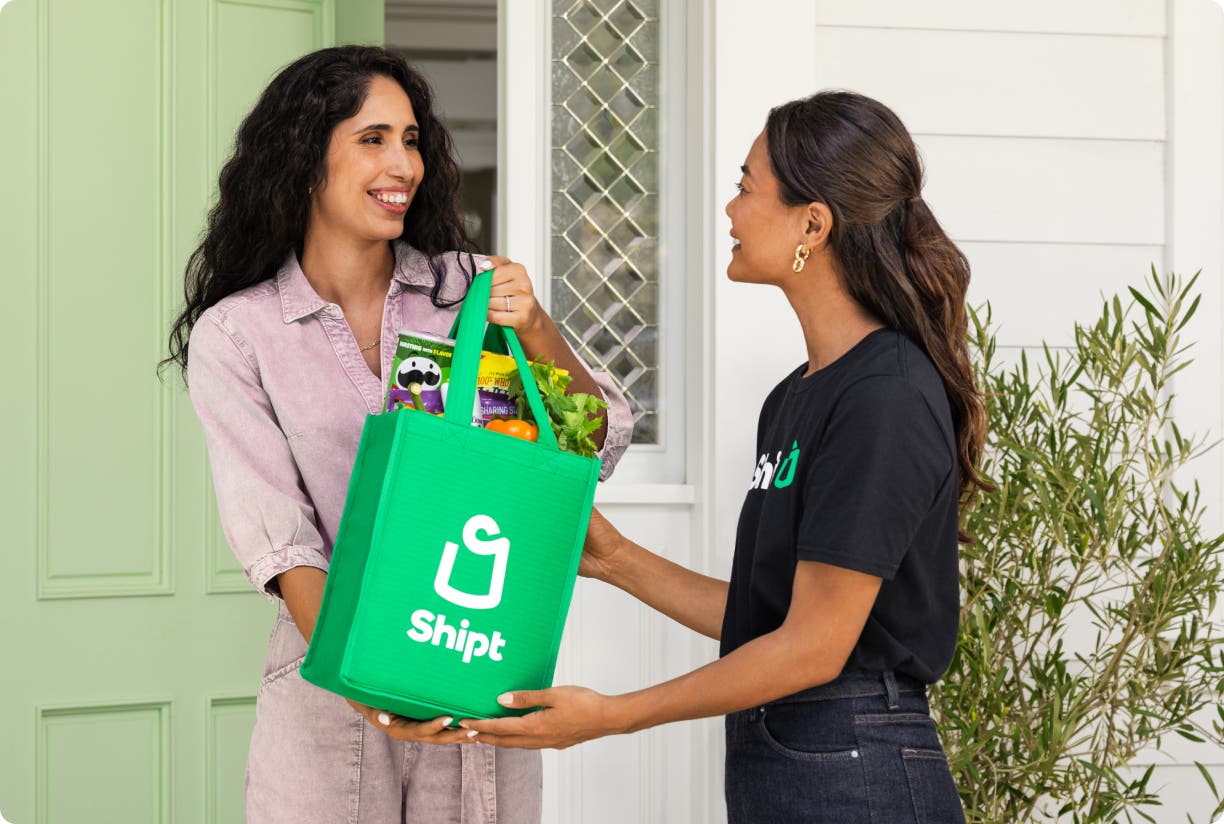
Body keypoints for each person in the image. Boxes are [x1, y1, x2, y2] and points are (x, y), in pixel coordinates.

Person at [461, 91, 991, 824]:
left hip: (853, 765)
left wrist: (611, 715)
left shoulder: (885, 397)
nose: (730, 210)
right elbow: (767, 618)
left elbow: (812, 648)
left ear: (814, 222)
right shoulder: (795, 397)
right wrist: (612, 557)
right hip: (796, 756)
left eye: (746, 186)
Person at [163, 46, 632, 824]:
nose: (403, 164)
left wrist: (542, 329)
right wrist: (371, 683)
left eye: (412, 140)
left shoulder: (468, 296)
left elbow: (594, 448)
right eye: (373, 138)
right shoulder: (239, 336)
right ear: (305, 157)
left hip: (476, 663)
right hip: (332, 682)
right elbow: (285, 544)